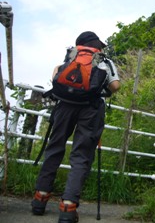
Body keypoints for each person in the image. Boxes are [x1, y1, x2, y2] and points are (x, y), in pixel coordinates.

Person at [31, 31, 120, 223]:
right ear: (96, 46)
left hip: (63, 106)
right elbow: (115, 86)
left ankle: (40, 198)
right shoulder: (103, 60)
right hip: (90, 110)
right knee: (81, 154)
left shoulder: (69, 57)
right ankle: (68, 206)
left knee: (54, 148)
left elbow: (56, 75)